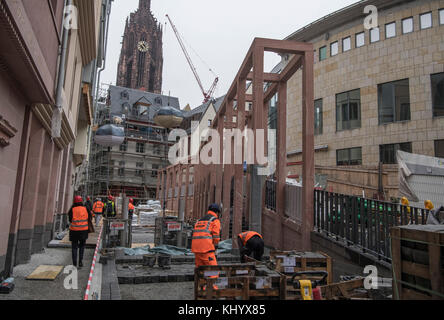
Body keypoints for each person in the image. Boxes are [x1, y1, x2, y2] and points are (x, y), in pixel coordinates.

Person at [191, 204, 221, 269]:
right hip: (207, 249)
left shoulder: (199, 220)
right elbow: (216, 236)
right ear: (217, 212)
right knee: (213, 271)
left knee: (200, 270)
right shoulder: (215, 220)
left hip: (196, 249)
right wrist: (215, 247)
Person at [68, 196, 92, 268]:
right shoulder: (85, 208)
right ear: (81, 201)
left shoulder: (72, 209)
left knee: (74, 247)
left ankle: (74, 263)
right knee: (82, 246)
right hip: (83, 231)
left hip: (74, 231)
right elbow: (90, 217)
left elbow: (70, 219)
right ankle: (80, 261)